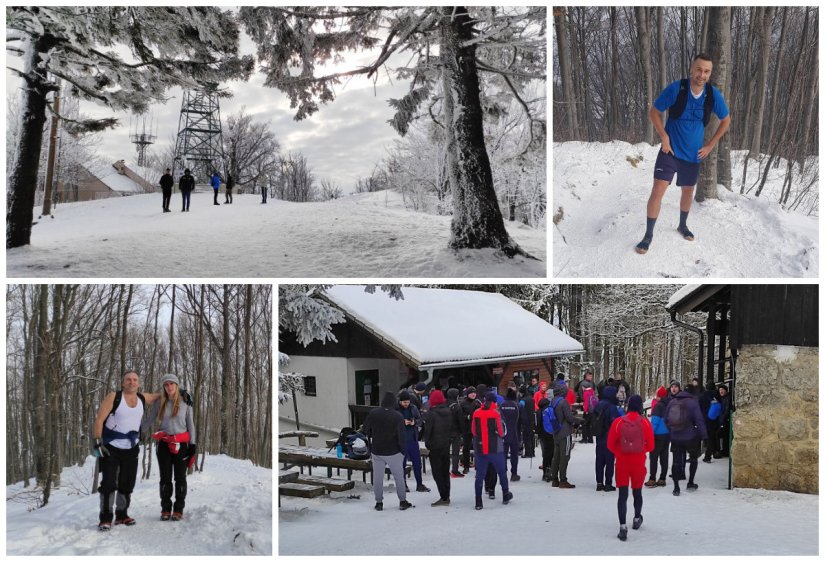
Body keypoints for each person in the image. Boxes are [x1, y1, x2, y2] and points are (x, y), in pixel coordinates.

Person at [636, 53, 731, 254]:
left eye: (706, 71)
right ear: (691, 68)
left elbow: (726, 120)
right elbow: (654, 111)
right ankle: (648, 235)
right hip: (669, 151)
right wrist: (664, 136)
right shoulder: (677, 89)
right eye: (699, 69)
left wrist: (710, 145)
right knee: (657, 191)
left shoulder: (713, 95)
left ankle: (682, 225)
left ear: (710, 73)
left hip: (694, 155)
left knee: (688, 191)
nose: (702, 74)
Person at [92, 370, 161, 531]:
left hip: (132, 447)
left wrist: (178, 391)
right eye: (128, 379)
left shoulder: (142, 398)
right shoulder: (114, 397)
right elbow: (100, 419)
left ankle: (122, 515)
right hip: (111, 447)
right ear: (123, 383)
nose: (132, 382)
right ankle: (106, 518)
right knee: (108, 483)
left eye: (135, 379)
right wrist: (97, 443)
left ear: (138, 383)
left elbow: (157, 396)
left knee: (127, 482)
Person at [141, 374, 197, 521]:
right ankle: (166, 509)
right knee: (165, 478)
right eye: (166, 385)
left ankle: (178, 509)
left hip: (181, 445)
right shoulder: (160, 402)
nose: (169, 387)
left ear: (177, 385)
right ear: (163, 387)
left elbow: (190, 424)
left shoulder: (186, 401)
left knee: (180, 478)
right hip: (164, 444)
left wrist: (193, 445)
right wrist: (137, 431)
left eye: (172, 384)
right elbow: (150, 419)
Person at [607, 395, 655, 541]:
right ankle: (636, 518)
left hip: (622, 463)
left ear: (628, 405)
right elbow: (651, 445)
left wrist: (620, 452)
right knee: (637, 492)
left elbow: (610, 444)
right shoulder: (645, 423)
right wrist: (640, 451)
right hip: (638, 463)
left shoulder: (618, 422)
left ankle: (622, 527)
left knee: (622, 495)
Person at [363, 392, 413, 511]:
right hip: (393, 451)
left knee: (378, 478)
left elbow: (366, 429)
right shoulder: (397, 416)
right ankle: (402, 501)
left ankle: (379, 502)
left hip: (377, 450)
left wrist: (374, 436)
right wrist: (402, 451)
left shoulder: (373, 413)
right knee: (399, 477)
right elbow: (401, 435)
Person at [664, 380, 707, 496]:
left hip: (675, 437)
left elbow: (666, 419)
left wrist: (671, 432)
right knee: (693, 459)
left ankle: (676, 488)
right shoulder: (693, 402)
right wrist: (704, 435)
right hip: (690, 437)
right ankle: (690, 482)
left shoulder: (672, 402)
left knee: (676, 462)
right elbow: (699, 420)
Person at [471, 392, 513, 510]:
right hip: (495, 448)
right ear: (494, 401)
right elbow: (501, 432)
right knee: (501, 472)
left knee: (480, 475)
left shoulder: (476, 412)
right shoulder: (496, 413)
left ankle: (478, 501)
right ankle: (505, 494)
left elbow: (473, 431)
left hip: (480, 448)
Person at [422, 390, 455, 506]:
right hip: (446, 444)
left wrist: (427, 444)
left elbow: (428, 431)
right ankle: (447, 495)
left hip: (435, 446)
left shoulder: (431, 414)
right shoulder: (449, 411)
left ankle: (444, 497)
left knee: (437, 473)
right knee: (445, 471)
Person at [547, 382, 583, 488]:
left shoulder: (552, 401)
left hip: (556, 431)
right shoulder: (563, 402)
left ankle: (554, 479)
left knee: (556, 456)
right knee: (565, 456)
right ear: (563, 391)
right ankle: (563, 480)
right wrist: (579, 421)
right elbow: (569, 418)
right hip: (565, 432)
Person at [397, 391, 429, 492]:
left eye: (407, 402)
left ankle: (419, 484)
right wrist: (402, 422)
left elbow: (420, 420)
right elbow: (392, 423)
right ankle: (404, 485)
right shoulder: (396, 409)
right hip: (401, 441)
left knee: (417, 463)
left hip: (413, 439)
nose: (406, 404)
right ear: (400, 401)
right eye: (404, 402)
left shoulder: (413, 408)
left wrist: (414, 422)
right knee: (402, 464)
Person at [594, 385, 622, 492]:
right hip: (609, 436)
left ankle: (599, 482)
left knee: (599, 460)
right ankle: (608, 483)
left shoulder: (598, 404)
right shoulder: (611, 407)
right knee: (609, 460)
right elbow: (616, 422)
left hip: (599, 436)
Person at [646, 386, 670, 487]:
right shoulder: (670, 404)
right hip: (667, 434)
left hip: (658, 435)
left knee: (654, 457)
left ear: (659, 396)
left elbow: (655, 422)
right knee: (664, 457)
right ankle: (662, 478)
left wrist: (650, 433)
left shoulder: (658, 406)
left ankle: (652, 479)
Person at [499, 388, 522, 481]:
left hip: (503, 433)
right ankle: (514, 473)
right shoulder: (516, 405)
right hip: (514, 432)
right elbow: (520, 419)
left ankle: (503, 472)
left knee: (503, 454)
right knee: (514, 454)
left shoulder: (501, 405)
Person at [459, 386, 481, 474]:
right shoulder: (463, 403)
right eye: (471, 393)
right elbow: (460, 415)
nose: (473, 394)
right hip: (467, 428)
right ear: (468, 394)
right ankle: (466, 466)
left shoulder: (478, 402)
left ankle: (478, 465)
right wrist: (467, 417)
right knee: (466, 448)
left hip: (477, 428)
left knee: (478, 448)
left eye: (474, 393)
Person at [535, 392, 554, 482]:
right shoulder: (550, 410)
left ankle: (544, 472)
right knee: (551, 453)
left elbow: (536, 425)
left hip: (542, 436)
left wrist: (537, 433)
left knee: (545, 454)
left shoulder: (538, 412)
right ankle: (550, 470)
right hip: (550, 434)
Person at [445, 388, 464, 478]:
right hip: (455, 432)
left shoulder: (443, 405)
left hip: (444, 432)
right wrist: (462, 431)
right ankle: (455, 471)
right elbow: (461, 421)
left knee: (445, 452)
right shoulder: (457, 406)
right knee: (455, 453)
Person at [577, 371, 597, 443]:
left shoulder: (589, 384)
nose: (590, 377)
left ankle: (585, 438)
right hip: (590, 406)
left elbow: (584, 395)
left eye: (591, 376)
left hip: (588, 406)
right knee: (588, 423)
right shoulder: (585, 383)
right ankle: (590, 438)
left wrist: (584, 403)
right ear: (586, 376)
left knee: (585, 423)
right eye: (589, 376)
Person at [716, 385, 731, 457]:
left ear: (726, 390)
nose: (721, 391)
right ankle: (724, 451)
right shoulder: (722, 398)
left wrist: (724, 419)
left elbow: (727, 410)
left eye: (722, 389)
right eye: (719, 390)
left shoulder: (727, 398)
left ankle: (723, 451)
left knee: (720, 435)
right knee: (723, 436)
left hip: (725, 421)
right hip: (722, 420)